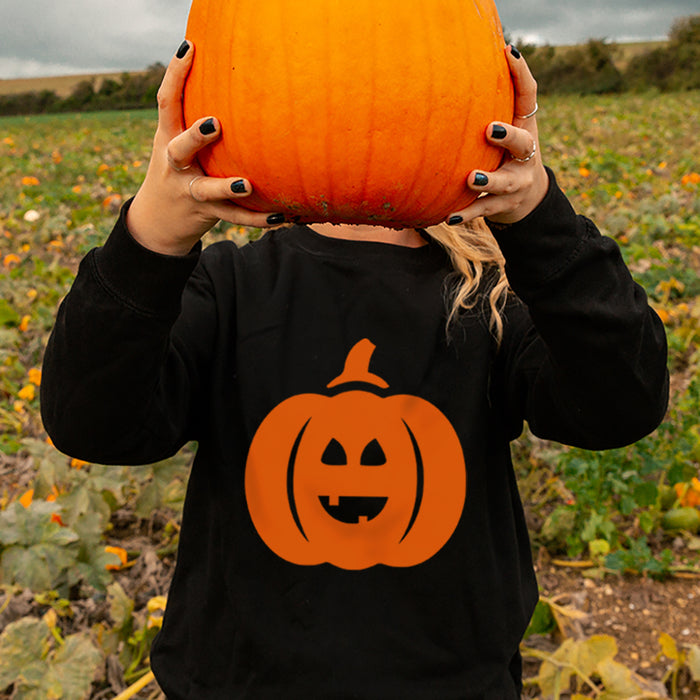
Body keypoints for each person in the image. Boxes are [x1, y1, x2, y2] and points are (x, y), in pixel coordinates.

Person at [41, 40, 668, 699]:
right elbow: (90, 422)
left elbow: (622, 402)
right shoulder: (228, 287)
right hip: (235, 684)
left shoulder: (491, 293)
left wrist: (539, 215)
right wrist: (154, 231)